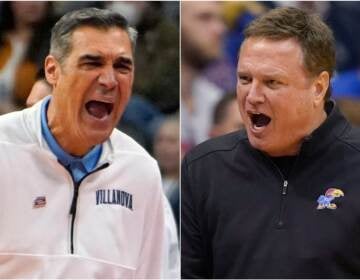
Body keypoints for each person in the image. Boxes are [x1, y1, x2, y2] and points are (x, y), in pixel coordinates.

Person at [182, 6, 360, 278]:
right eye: (244, 79)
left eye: (272, 82)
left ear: (318, 88)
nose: (252, 95)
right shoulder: (204, 168)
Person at [0, 8, 171, 278]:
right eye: (92, 63)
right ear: (53, 71)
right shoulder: (4, 149)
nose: (109, 80)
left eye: (122, 66)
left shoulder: (141, 171)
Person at [181, 1, 226, 155]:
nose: (220, 29)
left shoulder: (216, 98)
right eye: (204, 18)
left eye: (221, 20)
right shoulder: (161, 93)